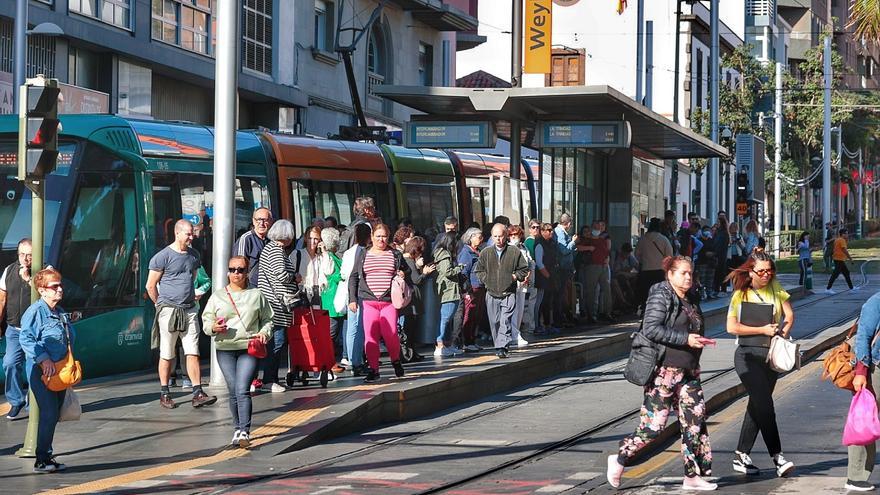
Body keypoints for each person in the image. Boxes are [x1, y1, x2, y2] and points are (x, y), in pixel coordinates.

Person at [607, 256, 715, 491]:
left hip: (688, 371)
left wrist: (697, 342)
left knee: (694, 423)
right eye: (683, 273)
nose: (689, 277)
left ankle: (692, 475)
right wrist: (685, 338)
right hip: (663, 372)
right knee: (654, 427)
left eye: (690, 273)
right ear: (670, 274)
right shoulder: (661, 294)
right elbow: (651, 328)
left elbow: (692, 325)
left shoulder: (691, 298)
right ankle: (620, 458)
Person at [724, 250, 795, 478]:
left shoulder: (776, 287)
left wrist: (781, 334)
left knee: (757, 406)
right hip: (746, 356)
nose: (766, 275)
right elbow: (731, 328)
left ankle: (741, 454)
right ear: (751, 272)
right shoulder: (740, 295)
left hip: (769, 356)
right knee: (765, 405)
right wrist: (762, 330)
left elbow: (789, 315)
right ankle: (778, 457)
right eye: (762, 271)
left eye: (770, 270)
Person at [201, 256, 272, 448]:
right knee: (233, 391)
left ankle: (244, 431)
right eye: (232, 269)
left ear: (247, 272)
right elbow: (206, 321)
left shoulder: (256, 294)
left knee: (242, 390)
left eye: (240, 270)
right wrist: (213, 327)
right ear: (227, 272)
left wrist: (264, 332)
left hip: (248, 347)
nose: (236, 273)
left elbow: (268, 319)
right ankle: (237, 428)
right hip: (225, 348)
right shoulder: (217, 296)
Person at [146, 219, 217, 409]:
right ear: (177, 233)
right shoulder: (162, 257)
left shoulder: (194, 255)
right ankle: (165, 392)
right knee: (167, 353)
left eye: (192, 233)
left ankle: (197, 391)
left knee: (192, 351)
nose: (191, 236)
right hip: (168, 310)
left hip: (189, 310)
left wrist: (191, 296)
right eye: (188, 233)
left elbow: (193, 276)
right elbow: (150, 286)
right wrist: (159, 304)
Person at [19, 268, 74, 473]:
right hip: (42, 373)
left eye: (60, 285)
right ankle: (41, 459)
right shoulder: (36, 312)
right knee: (49, 413)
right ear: (42, 290)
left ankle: (47, 456)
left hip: (59, 371)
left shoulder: (59, 312)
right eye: (54, 286)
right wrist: (43, 359)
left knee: (54, 413)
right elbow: (26, 338)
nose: (60, 289)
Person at [348, 224, 410, 382]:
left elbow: (407, 270)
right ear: (372, 236)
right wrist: (352, 299)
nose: (381, 240)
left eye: (384, 236)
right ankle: (374, 369)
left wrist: (403, 273)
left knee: (391, 335)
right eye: (378, 236)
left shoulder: (395, 254)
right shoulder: (363, 254)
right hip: (368, 301)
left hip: (388, 302)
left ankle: (395, 360)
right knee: (370, 337)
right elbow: (354, 277)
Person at [256, 219, 300, 393]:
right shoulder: (275, 250)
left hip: (274, 302)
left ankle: (270, 378)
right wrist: (294, 276)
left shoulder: (272, 249)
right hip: (276, 303)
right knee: (276, 342)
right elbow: (280, 274)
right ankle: (269, 379)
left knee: (275, 341)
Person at [474, 223, 529, 359]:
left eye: (500, 236)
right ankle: (499, 343)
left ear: (506, 236)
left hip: (508, 292)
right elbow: (479, 270)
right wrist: (486, 279)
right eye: (495, 236)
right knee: (494, 321)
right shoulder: (486, 252)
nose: (498, 239)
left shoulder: (514, 251)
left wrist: (514, 276)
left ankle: (502, 346)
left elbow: (524, 269)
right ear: (492, 237)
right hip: (491, 292)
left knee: (505, 319)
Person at [846, 290, 880, 492]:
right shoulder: (875, 302)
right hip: (876, 370)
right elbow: (863, 336)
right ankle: (856, 476)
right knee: (865, 421)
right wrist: (861, 371)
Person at [1, 238, 32, 419]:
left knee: (32, 369)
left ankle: (32, 405)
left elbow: (48, 292)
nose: (25, 259)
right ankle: (15, 400)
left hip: (35, 331)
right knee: (10, 363)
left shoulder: (46, 270)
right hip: (14, 329)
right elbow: (2, 298)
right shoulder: (9, 270)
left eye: (29, 255)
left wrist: (29, 279)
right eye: (22, 254)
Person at [308, 227, 346, 373]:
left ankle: (329, 361)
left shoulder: (331, 256)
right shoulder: (328, 256)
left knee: (332, 333)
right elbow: (331, 274)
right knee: (331, 333)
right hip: (332, 298)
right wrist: (342, 276)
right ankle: (328, 361)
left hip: (334, 298)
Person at [340, 223, 371, 375]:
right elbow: (354, 275)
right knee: (358, 329)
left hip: (350, 293)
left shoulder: (348, 252)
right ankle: (356, 361)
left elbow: (345, 273)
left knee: (352, 328)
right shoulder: (363, 251)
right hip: (360, 294)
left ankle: (354, 359)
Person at [400, 236, 433, 362]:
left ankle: (411, 353)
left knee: (409, 328)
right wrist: (425, 272)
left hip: (409, 300)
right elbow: (416, 280)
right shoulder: (409, 261)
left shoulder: (406, 259)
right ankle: (408, 354)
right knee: (410, 329)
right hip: (412, 300)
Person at [433, 232, 463, 357]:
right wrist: (459, 268)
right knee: (446, 318)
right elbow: (447, 272)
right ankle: (440, 345)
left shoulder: (440, 254)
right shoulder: (445, 255)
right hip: (449, 290)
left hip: (448, 290)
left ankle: (447, 345)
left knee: (447, 318)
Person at [635, 218, 673, 313]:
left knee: (646, 291)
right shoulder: (664, 239)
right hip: (660, 270)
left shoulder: (642, 239)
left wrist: (644, 262)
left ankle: (646, 309)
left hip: (646, 270)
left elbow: (637, 254)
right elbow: (669, 255)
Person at [458, 227, 486, 352]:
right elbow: (464, 272)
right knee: (469, 315)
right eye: (478, 237)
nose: (481, 239)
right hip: (472, 288)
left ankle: (472, 340)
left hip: (480, 286)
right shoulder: (466, 253)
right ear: (471, 237)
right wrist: (466, 290)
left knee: (477, 315)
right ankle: (466, 341)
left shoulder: (478, 251)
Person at [582, 221, 614, 323]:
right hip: (591, 266)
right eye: (595, 228)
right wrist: (589, 248)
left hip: (603, 266)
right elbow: (577, 247)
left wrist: (607, 258)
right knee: (591, 291)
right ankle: (591, 314)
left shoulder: (603, 240)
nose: (597, 230)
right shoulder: (587, 240)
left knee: (606, 289)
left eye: (599, 228)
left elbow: (607, 251)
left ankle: (607, 312)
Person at [233, 207, 273, 287]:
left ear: (271, 221)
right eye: (258, 219)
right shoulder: (246, 239)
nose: (261, 223)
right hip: (251, 289)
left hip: (269, 291)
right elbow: (238, 267)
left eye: (265, 220)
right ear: (253, 221)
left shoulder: (272, 241)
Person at [508, 225, 533, 346]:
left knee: (520, 309)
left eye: (516, 235)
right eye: (511, 235)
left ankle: (516, 332)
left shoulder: (524, 248)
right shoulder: (507, 248)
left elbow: (530, 263)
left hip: (523, 283)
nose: (514, 237)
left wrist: (528, 275)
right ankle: (514, 334)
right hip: (513, 283)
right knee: (513, 309)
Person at [534, 223, 560, 334]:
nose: (551, 232)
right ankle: (537, 325)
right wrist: (548, 276)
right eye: (548, 230)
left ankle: (548, 324)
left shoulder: (552, 244)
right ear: (542, 232)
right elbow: (539, 263)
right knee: (540, 302)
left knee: (548, 302)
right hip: (543, 278)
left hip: (551, 276)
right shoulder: (540, 244)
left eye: (551, 230)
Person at [554, 213, 578, 326]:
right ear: (568, 224)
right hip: (562, 268)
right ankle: (559, 318)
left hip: (565, 267)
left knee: (563, 293)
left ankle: (563, 316)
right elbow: (564, 250)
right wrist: (573, 242)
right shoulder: (559, 233)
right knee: (560, 294)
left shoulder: (561, 232)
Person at [825, 228, 856, 294]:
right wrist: (850, 259)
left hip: (838, 259)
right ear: (842, 234)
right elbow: (844, 250)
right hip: (839, 259)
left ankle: (851, 288)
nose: (847, 235)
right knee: (835, 274)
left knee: (846, 273)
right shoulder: (842, 240)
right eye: (846, 233)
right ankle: (828, 288)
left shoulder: (837, 239)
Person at [712, 212, 730, 296]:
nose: (716, 224)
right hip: (719, 255)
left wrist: (715, 252)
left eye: (718, 222)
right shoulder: (718, 232)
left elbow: (720, 245)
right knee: (718, 272)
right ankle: (717, 288)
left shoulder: (724, 233)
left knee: (721, 272)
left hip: (721, 255)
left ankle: (722, 289)